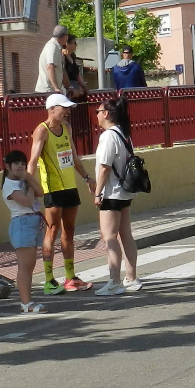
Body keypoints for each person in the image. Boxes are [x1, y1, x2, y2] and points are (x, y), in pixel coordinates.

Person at [28, 92, 96, 295]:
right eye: (63, 108)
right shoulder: (42, 130)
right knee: (52, 230)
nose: (67, 111)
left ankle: (70, 277)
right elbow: (33, 161)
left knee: (70, 230)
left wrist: (86, 177)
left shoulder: (67, 128)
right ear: (51, 109)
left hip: (69, 186)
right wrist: (29, 188)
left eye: (68, 108)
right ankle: (49, 280)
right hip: (52, 188)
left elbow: (73, 155)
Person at [92, 97, 141, 296]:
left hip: (111, 192)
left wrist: (97, 193)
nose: (96, 115)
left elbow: (104, 168)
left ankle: (114, 281)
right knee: (126, 234)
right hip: (124, 191)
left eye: (98, 111)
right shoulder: (124, 134)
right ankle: (131, 278)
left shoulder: (108, 136)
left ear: (106, 114)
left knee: (109, 236)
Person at [0, 150, 45, 314]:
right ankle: (26, 303)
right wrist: (29, 183)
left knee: (30, 265)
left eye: (23, 163)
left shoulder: (24, 180)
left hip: (34, 221)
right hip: (22, 223)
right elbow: (27, 201)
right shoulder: (9, 185)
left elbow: (41, 192)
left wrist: (30, 179)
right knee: (24, 266)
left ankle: (28, 300)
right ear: (8, 166)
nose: (20, 166)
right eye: (16, 163)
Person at [37, 24, 70, 93]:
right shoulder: (52, 46)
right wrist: (56, 87)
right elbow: (50, 66)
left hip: (51, 90)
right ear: (65, 36)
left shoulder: (56, 47)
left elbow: (61, 70)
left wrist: (69, 87)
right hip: (47, 90)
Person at [59, 33, 89, 101]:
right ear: (67, 44)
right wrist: (70, 88)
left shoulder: (72, 56)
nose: (76, 45)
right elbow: (62, 74)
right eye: (74, 43)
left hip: (76, 90)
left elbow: (77, 74)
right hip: (67, 91)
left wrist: (83, 86)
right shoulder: (61, 57)